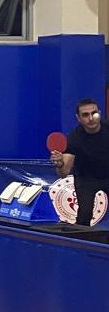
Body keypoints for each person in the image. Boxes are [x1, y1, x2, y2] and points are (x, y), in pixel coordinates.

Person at [52, 97, 109, 226]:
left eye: (94, 113)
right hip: (86, 178)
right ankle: (82, 238)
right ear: (78, 118)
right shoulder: (74, 138)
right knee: (84, 215)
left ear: (99, 113)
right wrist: (60, 164)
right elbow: (64, 173)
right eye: (85, 115)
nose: (91, 118)